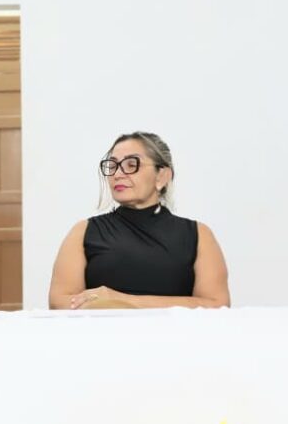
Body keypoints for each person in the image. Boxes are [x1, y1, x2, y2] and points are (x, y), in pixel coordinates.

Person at [49, 131, 230, 309]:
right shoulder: (84, 231)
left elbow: (216, 304)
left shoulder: (198, 234)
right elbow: (60, 302)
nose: (117, 174)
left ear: (162, 176)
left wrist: (121, 300)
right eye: (112, 165)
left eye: (131, 164)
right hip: (104, 337)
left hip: (174, 337)